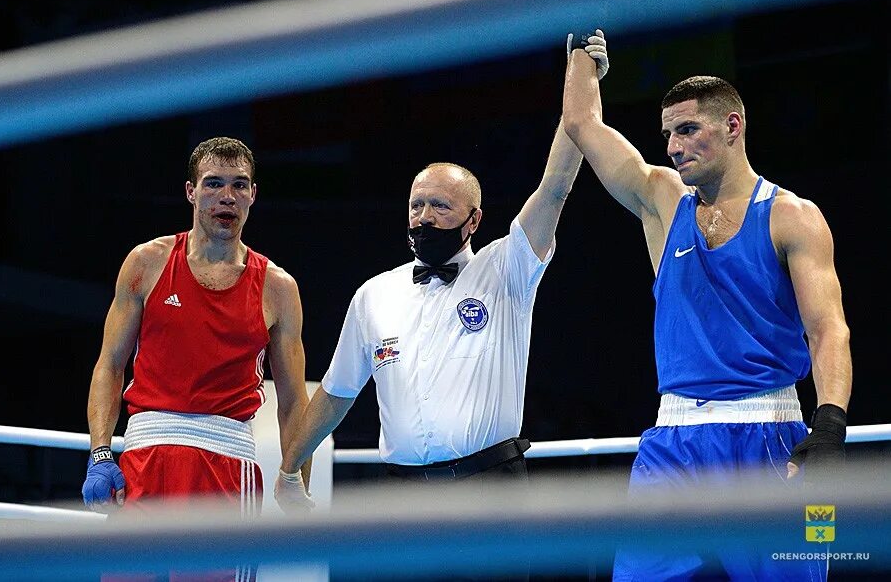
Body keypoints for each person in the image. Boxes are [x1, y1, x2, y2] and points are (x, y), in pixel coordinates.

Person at [273, 33, 609, 512]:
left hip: (491, 487)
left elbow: (555, 186)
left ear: (473, 220)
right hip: (403, 497)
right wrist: (290, 468)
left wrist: (583, 78)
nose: (425, 216)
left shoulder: (506, 268)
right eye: (417, 205)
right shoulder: (374, 294)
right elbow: (335, 393)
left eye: (440, 206)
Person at [561, 42, 852, 580]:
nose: (672, 146)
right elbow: (581, 123)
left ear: (733, 126)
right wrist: (583, 48)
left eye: (688, 129)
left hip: (776, 434)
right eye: (668, 133)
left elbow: (828, 329)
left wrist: (831, 425)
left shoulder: (794, 217)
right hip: (673, 440)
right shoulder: (663, 201)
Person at [82, 137, 312, 581]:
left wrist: (295, 478)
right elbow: (110, 364)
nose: (227, 197)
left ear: (253, 195)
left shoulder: (278, 288)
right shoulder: (147, 263)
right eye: (214, 184)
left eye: (239, 185)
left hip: (224, 471)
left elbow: (292, 401)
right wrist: (99, 452)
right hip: (144, 462)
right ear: (191, 191)